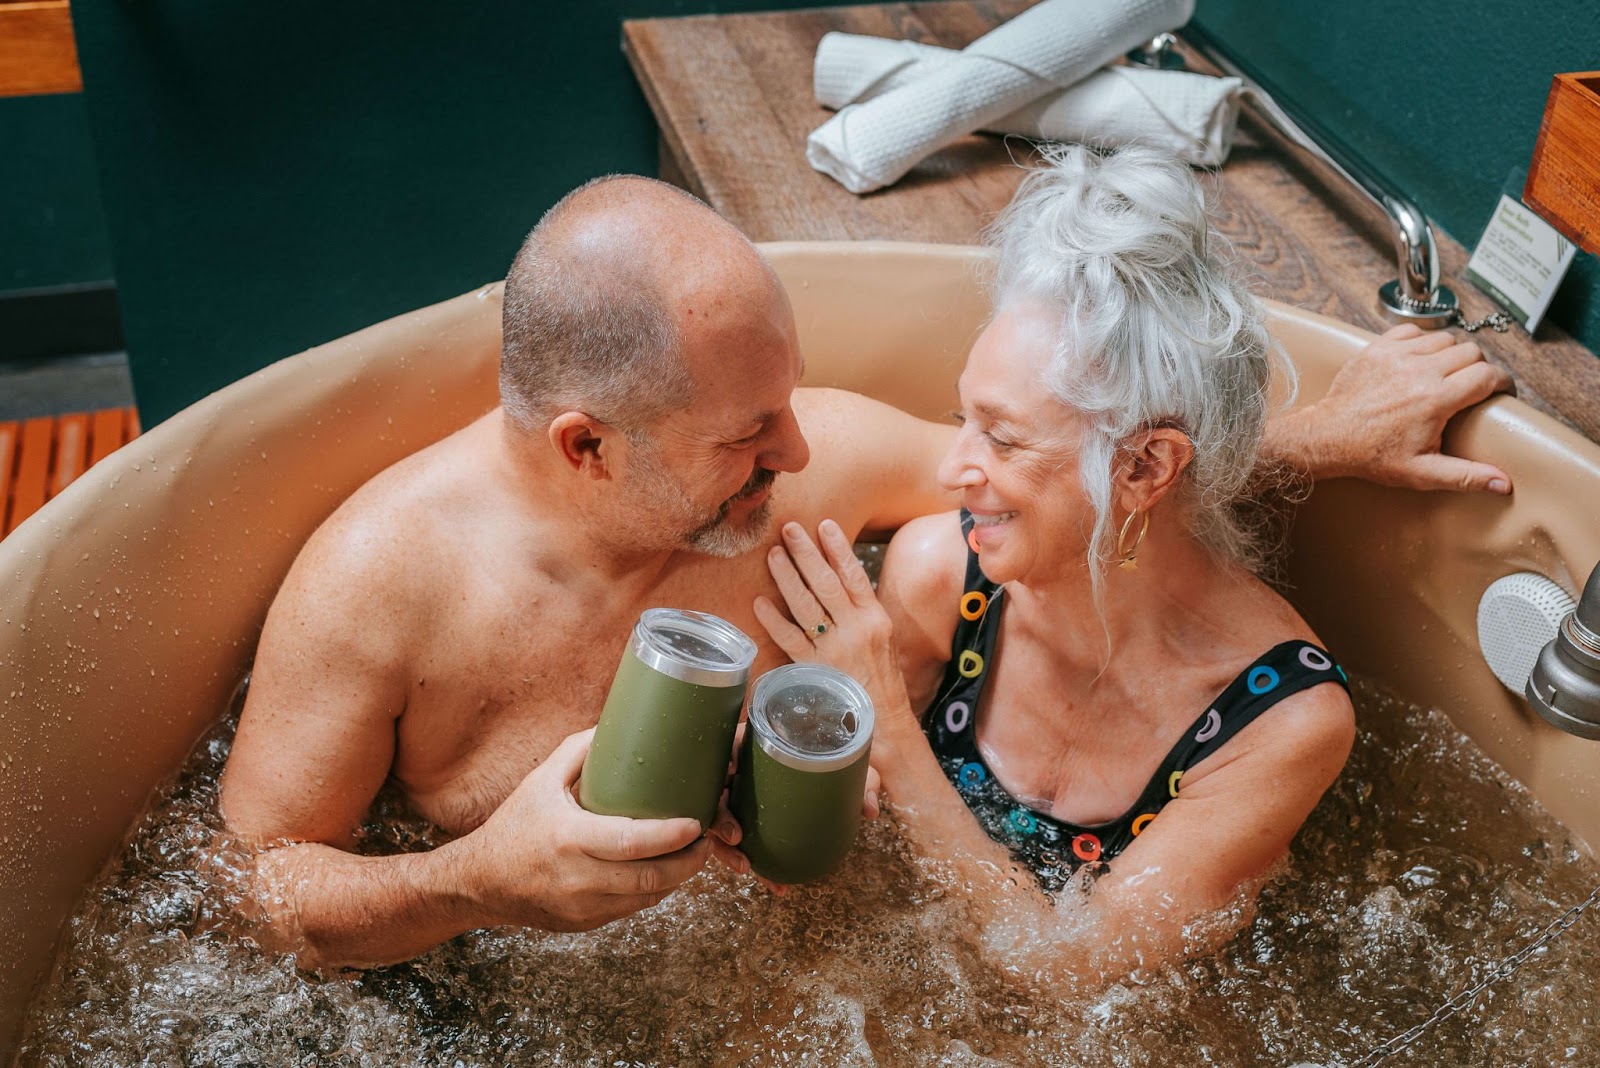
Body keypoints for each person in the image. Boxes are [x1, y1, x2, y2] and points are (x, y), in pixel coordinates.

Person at [219, 173, 1514, 970]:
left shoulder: (809, 462)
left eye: (787, 402)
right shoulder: (381, 587)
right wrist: (477, 886)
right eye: (747, 436)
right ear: (588, 447)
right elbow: (251, 893)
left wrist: (1322, 436)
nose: (804, 445)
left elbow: (1093, 485)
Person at [753, 146, 1506, 987]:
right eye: (959, 418)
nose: (949, 469)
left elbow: (1076, 976)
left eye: (1001, 437)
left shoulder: (1282, 722)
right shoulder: (940, 576)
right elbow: (845, 853)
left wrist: (886, 723)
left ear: (1146, 468)